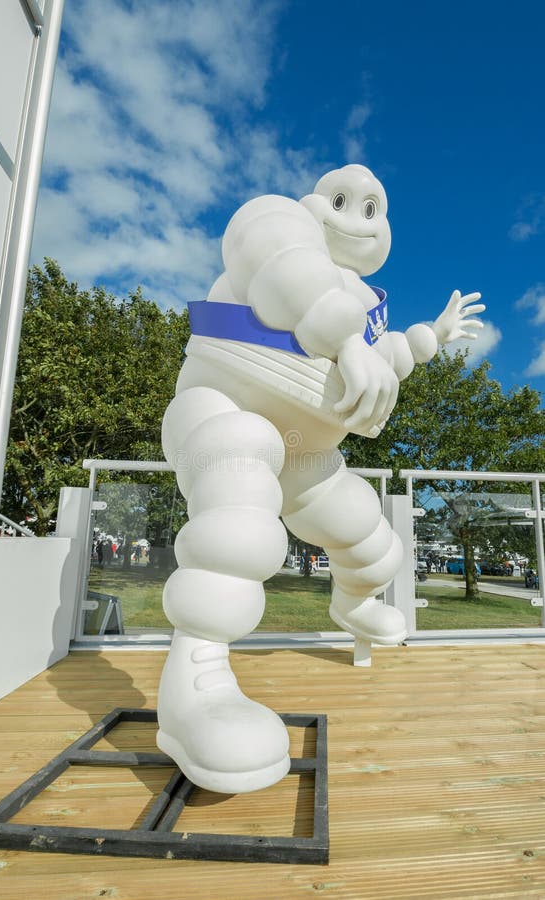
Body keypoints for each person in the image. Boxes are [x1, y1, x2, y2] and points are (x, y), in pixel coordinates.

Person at [157, 163, 484, 794]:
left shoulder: (367, 308)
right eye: (342, 198)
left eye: (372, 208)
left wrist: (430, 337)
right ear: (314, 201)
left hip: (305, 447)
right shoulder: (277, 219)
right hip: (222, 410)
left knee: (372, 538)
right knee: (241, 492)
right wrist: (347, 342)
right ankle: (194, 690)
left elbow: (389, 356)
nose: (356, 214)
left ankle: (352, 602)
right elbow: (287, 274)